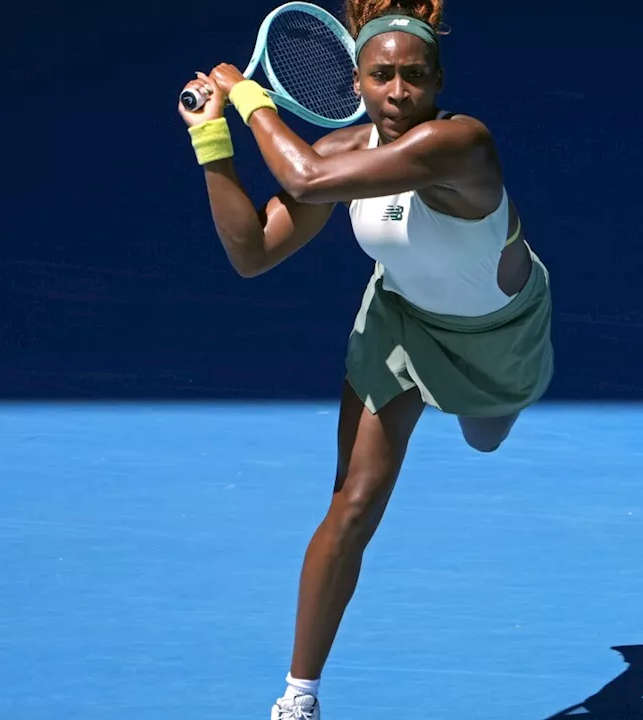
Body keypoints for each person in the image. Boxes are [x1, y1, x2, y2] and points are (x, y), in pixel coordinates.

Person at [176, 0, 554, 717]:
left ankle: (486, 410)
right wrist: (211, 142)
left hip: (498, 335)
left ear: (439, 82)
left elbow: (309, 181)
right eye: (381, 76)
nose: (398, 92)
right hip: (400, 318)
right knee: (352, 502)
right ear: (357, 81)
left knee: (486, 435)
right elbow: (253, 253)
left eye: (414, 77)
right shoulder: (344, 151)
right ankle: (299, 696)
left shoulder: (460, 142)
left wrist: (248, 98)